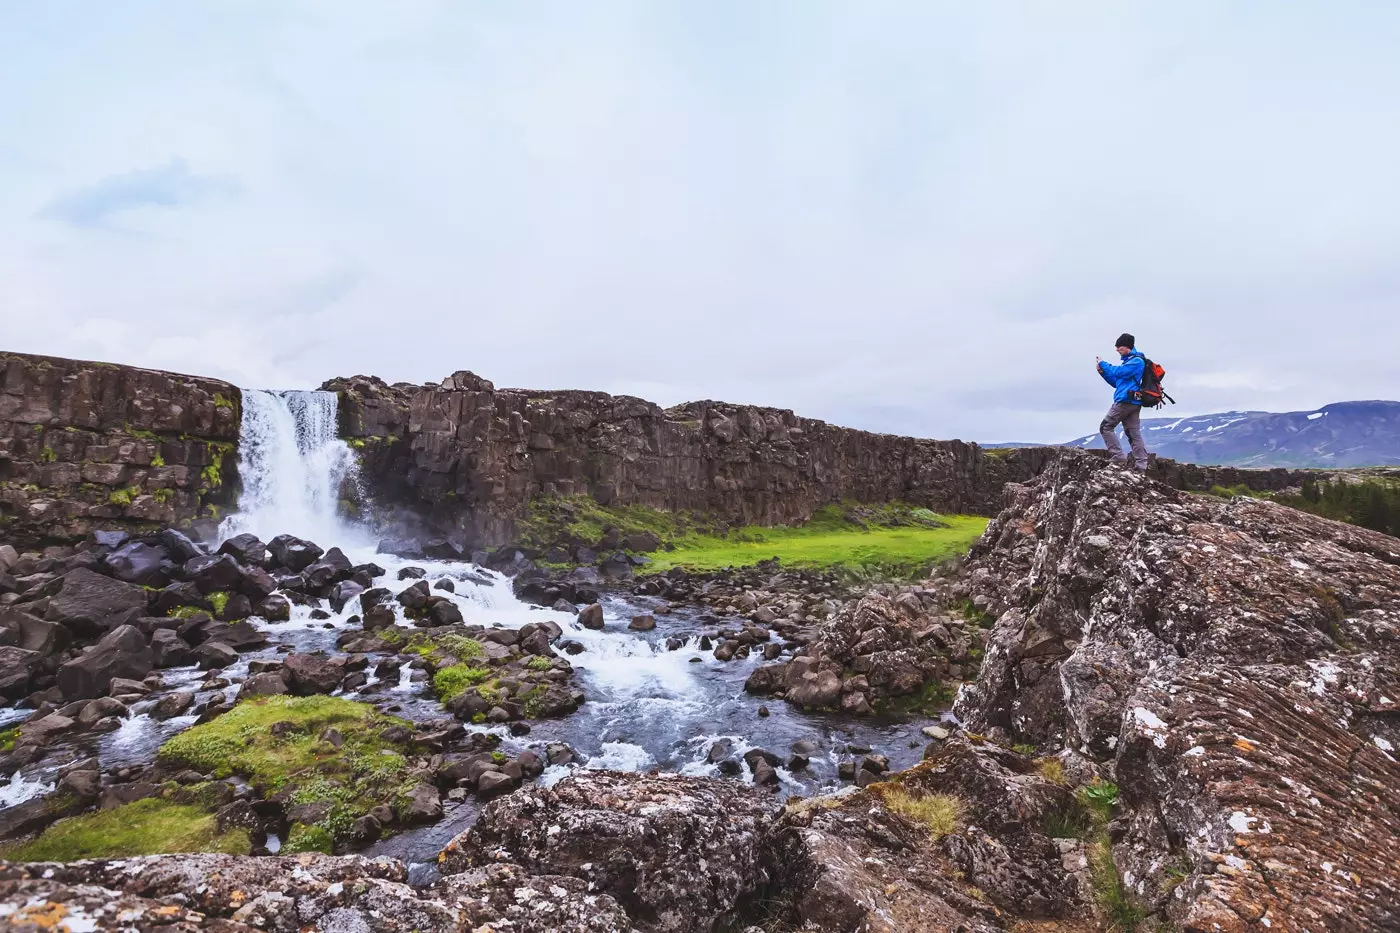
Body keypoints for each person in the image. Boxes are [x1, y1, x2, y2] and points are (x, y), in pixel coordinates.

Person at [1096, 333, 1149, 471]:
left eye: (1119, 347)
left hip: (1125, 401)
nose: (1117, 349)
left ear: (1127, 347)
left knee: (1105, 427)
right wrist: (1103, 373)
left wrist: (1103, 363)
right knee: (1133, 433)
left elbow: (1119, 372)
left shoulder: (1137, 362)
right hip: (1132, 401)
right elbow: (1116, 382)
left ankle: (1118, 457)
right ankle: (1141, 466)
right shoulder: (1130, 361)